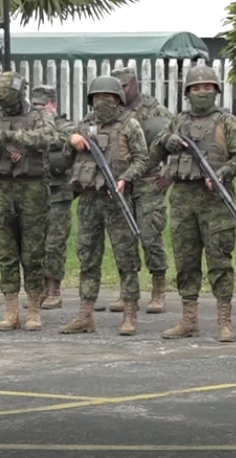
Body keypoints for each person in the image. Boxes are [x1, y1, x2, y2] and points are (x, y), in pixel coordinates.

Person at [156, 66, 236, 343]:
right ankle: (189, 319)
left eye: (207, 88)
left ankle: (224, 321)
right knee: (186, 260)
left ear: (216, 91)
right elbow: (157, 147)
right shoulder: (177, 121)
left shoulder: (227, 122)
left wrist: (223, 173)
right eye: (197, 89)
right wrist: (167, 140)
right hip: (183, 198)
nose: (202, 93)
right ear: (188, 92)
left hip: (215, 200)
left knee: (219, 259)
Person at [57, 76, 149, 336]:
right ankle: (85, 314)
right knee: (87, 257)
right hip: (88, 200)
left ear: (118, 99)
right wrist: (71, 140)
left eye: (107, 98)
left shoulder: (130, 124)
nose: (102, 102)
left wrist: (125, 179)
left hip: (116, 200)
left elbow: (143, 160)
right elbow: (65, 161)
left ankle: (130, 314)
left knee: (126, 258)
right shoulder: (84, 124)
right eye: (97, 98)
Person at [0, 72, 59, 332]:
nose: (6, 108)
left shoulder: (39, 116)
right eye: (2, 103)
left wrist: (11, 137)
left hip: (32, 189)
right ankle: (11, 311)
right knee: (5, 252)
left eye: (9, 102)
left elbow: (48, 138)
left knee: (33, 252)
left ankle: (33, 309)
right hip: (1, 189)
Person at [109, 66, 175, 315]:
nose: (122, 92)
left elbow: (176, 139)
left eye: (125, 86)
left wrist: (171, 174)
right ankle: (128, 291)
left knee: (150, 237)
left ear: (135, 83)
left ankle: (158, 290)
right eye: (118, 88)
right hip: (122, 183)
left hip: (149, 181)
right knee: (123, 240)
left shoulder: (154, 110)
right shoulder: (112, 112)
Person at [31, 85, 74, 310]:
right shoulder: (29, 125)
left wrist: (35, 139)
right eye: (35, 106)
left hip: (59, 193)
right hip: (34, 192)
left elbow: (60, 140)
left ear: (54, 105)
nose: (39, 110)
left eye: (43, 105)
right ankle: (39, 288)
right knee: (35, 244)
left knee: (54, 244)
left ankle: (54, 289)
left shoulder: (66, 126)